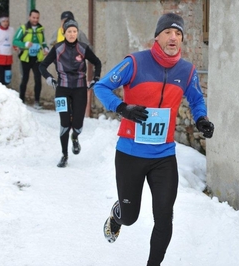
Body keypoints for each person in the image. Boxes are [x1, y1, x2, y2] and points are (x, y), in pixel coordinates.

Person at [93, 13, 214, 266]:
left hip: (164, 156)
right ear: (157, 37)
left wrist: (201, 118)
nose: (174, 37)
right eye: (168, 32)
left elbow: (196, 99)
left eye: (178, 33)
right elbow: (101, 87)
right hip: (129, 153)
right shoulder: (135, 63)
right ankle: (118, 215)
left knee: (164, 218)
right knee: (130, 217)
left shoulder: (187, 70)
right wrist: (122, 108)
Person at [39, 19, 101, 168]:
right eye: (69, 31)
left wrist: (95, 79)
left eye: (74, 31)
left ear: (77, 33)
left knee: (78, 124)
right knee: (65, 123)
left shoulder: (83, 48)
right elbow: (42, 66)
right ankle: (64, 155)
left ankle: (75, 137)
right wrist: (50, 79)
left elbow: (97, 62)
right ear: (64, 33)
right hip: (62, 89)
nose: (72, 34)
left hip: (80, 89)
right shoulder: (58, 48)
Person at [12, 9, 49, 110]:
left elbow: (43, 42)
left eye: (37, 18)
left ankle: (37, 101)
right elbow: (15, 41)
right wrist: (25, 44)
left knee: (38, 79)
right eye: (33, 17)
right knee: (25, 79)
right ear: (29, 17)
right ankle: (21, 100)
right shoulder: (23, 28)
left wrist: (46, 48)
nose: (35, 20)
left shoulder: (41, 29)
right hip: (26, 58)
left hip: (37, 58)